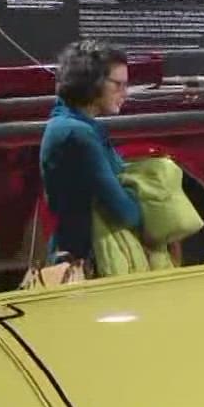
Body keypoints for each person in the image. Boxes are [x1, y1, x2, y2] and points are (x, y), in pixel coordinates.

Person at [39, 39, 141, 265]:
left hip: (74, 254)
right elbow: (125, 212)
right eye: (118, 85)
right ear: (92, 83)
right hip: (86, 261)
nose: (125, 93)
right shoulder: (78, 134)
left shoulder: (67, 124)